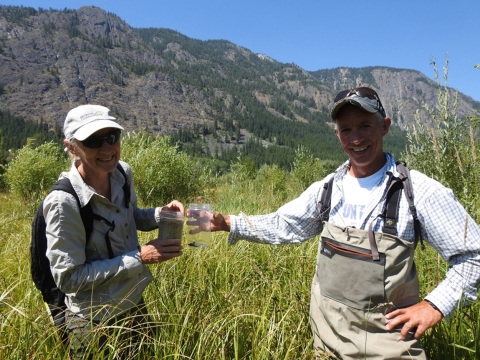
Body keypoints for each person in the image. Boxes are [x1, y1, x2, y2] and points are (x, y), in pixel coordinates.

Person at [206, 87, 480, 359]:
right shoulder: (327, 188)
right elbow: (284, 225)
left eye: (364, 126)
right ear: (337, 134)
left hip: (387, 347)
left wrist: (435, 306)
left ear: (384, 126)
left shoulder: (419, 192)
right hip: (325, 344)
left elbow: (474, 256)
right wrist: (228, 223)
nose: (356, 138)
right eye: (346, 129)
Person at [44, 104, 184, 357]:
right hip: (93, 320)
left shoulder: (122, 172)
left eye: (112, 137)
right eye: (93, 141)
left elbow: (131, 215)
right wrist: (140, 257)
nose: (107, 149)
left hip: (133, 303)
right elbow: (68, 278)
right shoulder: (63, 202)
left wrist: (162, 214)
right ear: (71, 147)